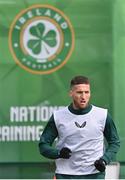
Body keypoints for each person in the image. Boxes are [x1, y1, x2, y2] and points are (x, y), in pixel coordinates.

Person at [39, 75, 120, 179]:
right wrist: (58, 153)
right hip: (66, 175)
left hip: (94, 175)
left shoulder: (102, 115)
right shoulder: (58, 116)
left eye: (87, 92)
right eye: (79, 92)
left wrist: (104, 160)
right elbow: (43, 145)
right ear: (71, 93)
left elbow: (115, 142)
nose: (83, 96)